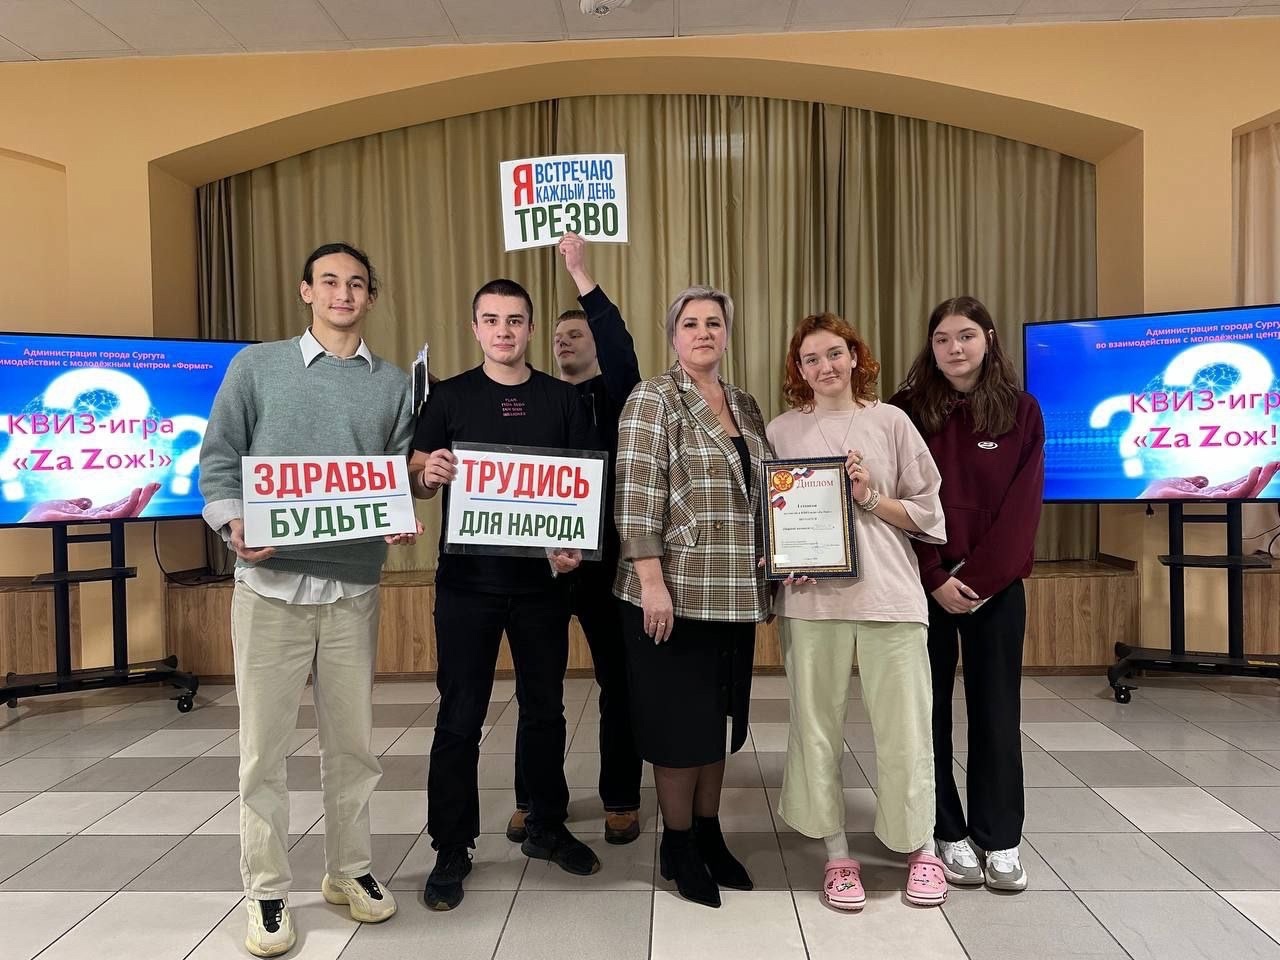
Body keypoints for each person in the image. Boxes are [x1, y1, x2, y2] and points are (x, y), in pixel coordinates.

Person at [200, 242, 417, 957]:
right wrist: (233, 522)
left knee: (353, 746)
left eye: (356, 283)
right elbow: (219, 458)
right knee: (262, 750)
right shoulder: (256, 367)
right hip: (269, 588)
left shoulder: (394, 385)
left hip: (352, 588)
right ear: (306, 291)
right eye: (329, 281)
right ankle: (266, 890)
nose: (342, 294)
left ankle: (348, 869)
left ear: (371, 297)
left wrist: (400, 509)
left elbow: (396, 474)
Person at [410, 277, 602, 912]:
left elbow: (583, 488)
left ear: (530, 328)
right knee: (459, 717)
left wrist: (575, 545)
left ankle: (546, 824)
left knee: (545, 710)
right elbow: (417, 475)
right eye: (491, 320)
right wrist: (428, 473)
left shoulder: (562, 399)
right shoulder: (447, 396)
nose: (503, 331)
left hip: (541, 587)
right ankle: (451, 846)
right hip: (466, 586)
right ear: (476, 328)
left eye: (514, 320)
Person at [767, 313, 949, 911]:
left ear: (855, 357)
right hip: (811, 603)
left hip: (890, 597)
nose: (824, 366)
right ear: (798, 369)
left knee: (906, 729)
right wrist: (783, 558)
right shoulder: (781, 432)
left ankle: (920, 849)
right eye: (811, 358)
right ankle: (837, 854)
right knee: (815, 729)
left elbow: (929, 514)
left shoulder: (890, 421)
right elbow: (768, 518)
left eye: (834, 354)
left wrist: (870, 495)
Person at [613, 285, 771, 909]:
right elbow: (636, 493)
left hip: (735, 592)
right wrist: (652, 583)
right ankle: (677, 843)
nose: (703, 332)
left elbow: (765, 491)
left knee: (719, 723)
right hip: (673, 594)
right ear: (673, 334)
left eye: (714, 322)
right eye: (690, 323)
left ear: (727, 333)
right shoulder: (653, 397)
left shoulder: (745, 403)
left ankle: (708, 832)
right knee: (679, 729)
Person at [889, 295, 1045, 893]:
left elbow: (1022, 508)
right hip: (921, 585)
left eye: (966, 336)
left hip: (994, 588)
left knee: (997, 712)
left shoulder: (1021, 411)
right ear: (930, 347)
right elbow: (897, 501)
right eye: (942, 339)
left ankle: (999, 837)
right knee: (925, 714)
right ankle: (944, 830)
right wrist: (934, 575)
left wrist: (977, 580)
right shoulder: (905, 410)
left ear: (988, 339)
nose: (954, 348)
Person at [505, 233, 645, 847]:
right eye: (558, 336)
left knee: (618, 682)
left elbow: (620, 347)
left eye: (577, 334)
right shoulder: (533, 397)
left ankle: (621, 798)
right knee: (538, 687)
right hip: (541, 561)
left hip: (606, 561)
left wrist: (581, 274)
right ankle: (534, 798)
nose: (565, 341)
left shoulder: (620, 395)